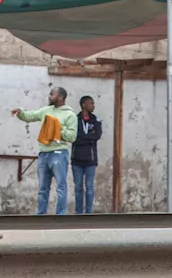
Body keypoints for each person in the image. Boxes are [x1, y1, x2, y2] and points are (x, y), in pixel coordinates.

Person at [11, 86, 76, 215]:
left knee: (61, 187)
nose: (49, 96)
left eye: (52, 94)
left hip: (59, 154)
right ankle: (41, 215)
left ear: (60, 97)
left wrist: (56, 128)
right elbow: (31, 116)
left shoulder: (70, 115)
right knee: (42, 188)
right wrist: (21, 112)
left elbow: (72, 137)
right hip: (44, 154)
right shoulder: (46, 110)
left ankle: (60, 216)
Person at [70, 95, 103, 214]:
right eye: (91, 103)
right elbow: (73, 138)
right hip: (77, 160)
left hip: (90, 159)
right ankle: (78, 213)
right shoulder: (74, 119)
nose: (93, 106)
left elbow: (97, 136)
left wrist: (82, 137)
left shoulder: (96, 120)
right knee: (78, 187)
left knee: (89, 187)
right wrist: (88, 138)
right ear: (83, 105)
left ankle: (89, 213)